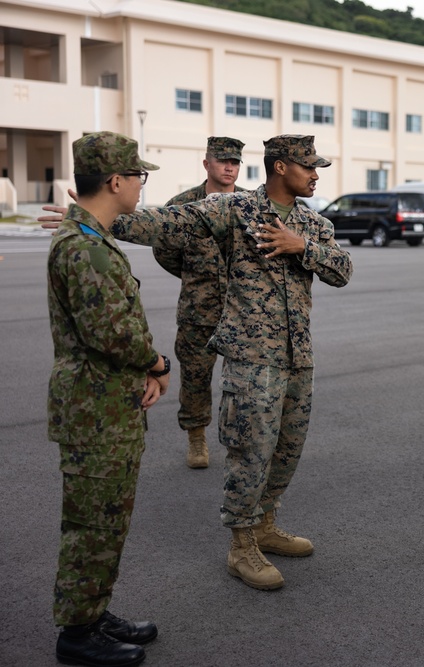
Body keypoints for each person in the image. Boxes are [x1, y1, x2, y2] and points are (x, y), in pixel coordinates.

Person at [108, 135, 353, 591]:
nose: (316, 174)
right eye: (308, 167)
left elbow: (342, 270)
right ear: (280, 168)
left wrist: (304, 247)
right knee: (250, 449)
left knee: (287, 447)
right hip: (251, 356)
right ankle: (241, 546)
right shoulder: (235, 210)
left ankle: (265, 525)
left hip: (298, 356)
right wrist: (100, 217)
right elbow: (169, 223)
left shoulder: (311, 223)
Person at [48, 131, 169, 666]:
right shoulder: (83, 249)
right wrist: (158, 364)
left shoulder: (92, 239)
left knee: (107, 518)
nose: (141, 186)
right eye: (138, 177)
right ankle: (78, 634)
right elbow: (113, 332)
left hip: (108, 407)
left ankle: (93, 612)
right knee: (92, 524)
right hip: (94, 413)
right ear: (116, 181)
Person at [156, 136, 246, 469]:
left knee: (245, 382)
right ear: (206, 163)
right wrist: (194, 275)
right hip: (199, 309)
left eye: (234, 162)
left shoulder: (251, 204)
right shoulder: (182, 205)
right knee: (195, 377)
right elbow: (164, 249)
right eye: (222, 160)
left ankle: (243, 440)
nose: (229, 167)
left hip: (244, 311)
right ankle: (196, 438)